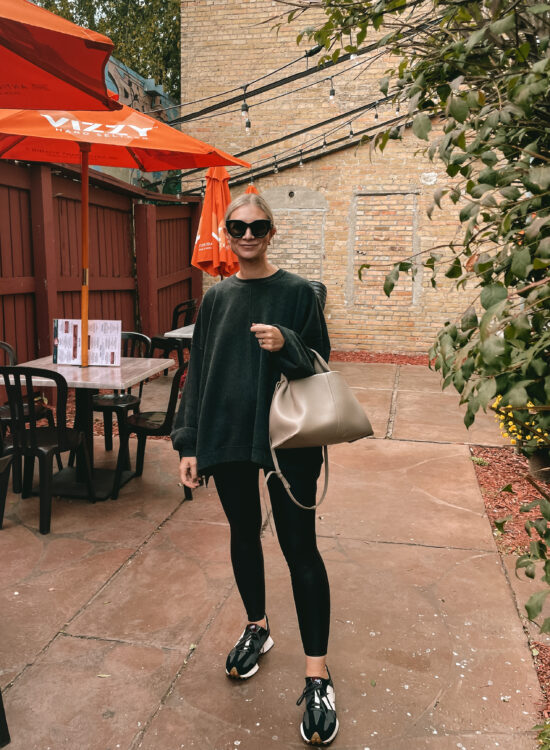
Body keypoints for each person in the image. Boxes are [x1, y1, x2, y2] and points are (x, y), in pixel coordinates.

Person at [171, 193, 338, 746]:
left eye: (257, 226)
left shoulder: (296, 293)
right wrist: (188, 443)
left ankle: (318, 675)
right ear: (226, 232)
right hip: (228, 439)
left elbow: (320, 361)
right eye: (237, 226)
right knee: (244, 534)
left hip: (288, 443)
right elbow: (198, 373)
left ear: (272, 232)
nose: (247, 234)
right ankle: (257, 629)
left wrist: (285, 342)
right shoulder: (215, 298)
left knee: (299, 549)